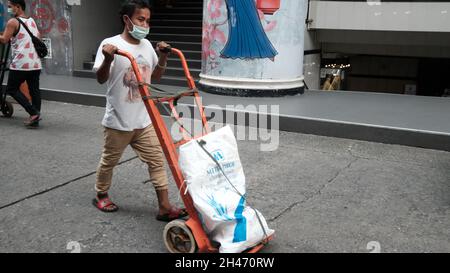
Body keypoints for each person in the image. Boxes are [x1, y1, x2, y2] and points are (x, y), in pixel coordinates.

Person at [92, 0, 187, 222]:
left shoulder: (146, 46)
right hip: (118, 120)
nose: (145, 24)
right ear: (127, 20)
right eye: (140, 19)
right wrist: (108, 59)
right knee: (109, 161)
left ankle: (164, 207)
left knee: (156, 160)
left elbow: (155, 78)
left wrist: (163, 55)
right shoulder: (110, 44)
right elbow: (100, 78)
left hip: (144, 120)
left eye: (147, 20)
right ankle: (101, 194)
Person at [0, 0, 42, 128]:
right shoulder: (31, 20)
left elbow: (4, 39)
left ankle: (33, 113)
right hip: (35, 62)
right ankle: (35, 117)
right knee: (34, 90)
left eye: (10, 7)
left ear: (18, 7)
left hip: (21, 62)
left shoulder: (13, 22)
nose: (9, 10)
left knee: (11, 89)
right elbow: (38, 37)